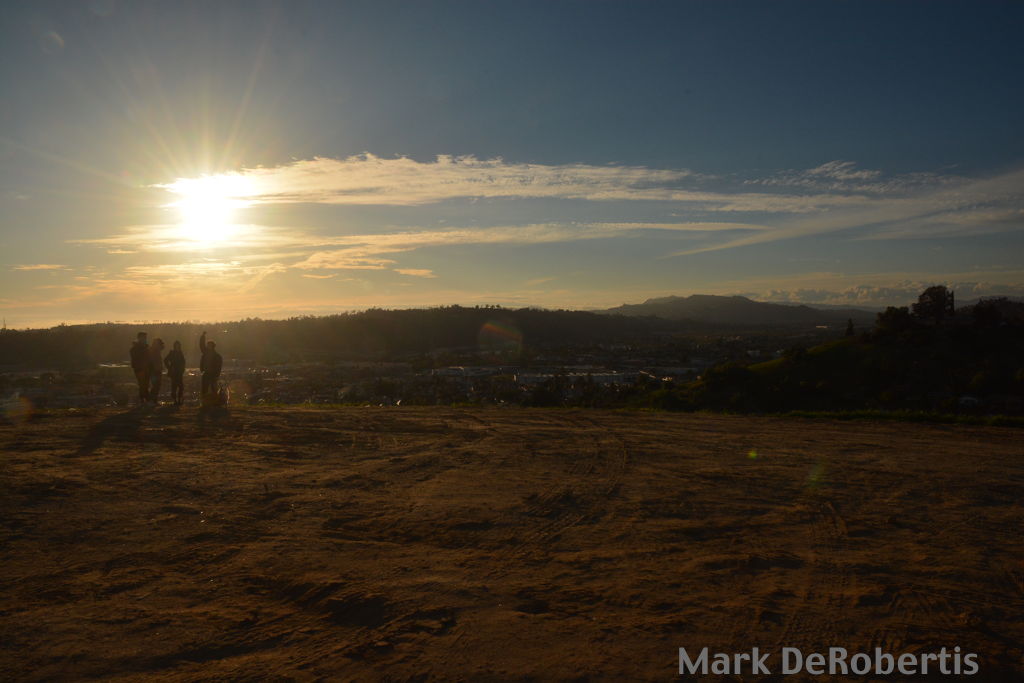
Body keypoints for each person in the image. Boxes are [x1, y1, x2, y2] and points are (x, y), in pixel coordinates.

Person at [199, 331, 223, 401]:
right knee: (204, 389)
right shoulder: (206, 353)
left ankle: (214, 401)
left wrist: (217, 374)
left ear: (213, 346)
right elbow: (201, 345)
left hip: (213, 374)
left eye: (209, 345)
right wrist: (203, 336)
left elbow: (219, 366)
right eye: (208, 345)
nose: (208, 346)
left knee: (214, 388)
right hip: (206, 373)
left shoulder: (217, 356)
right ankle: (204, 402)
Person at [129, 332, 150, 404]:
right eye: (144, 338)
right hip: (139, 369)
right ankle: (144, 399)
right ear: (139, 338)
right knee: (142, 384)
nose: (145, 339)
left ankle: (145, 399)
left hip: (145, 368)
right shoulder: (135, 348)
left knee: (145, 384)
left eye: (145, 338)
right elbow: (135, 357)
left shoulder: (145, 347)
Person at [164, 340, 186, 406]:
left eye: (178, 345)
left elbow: (183, 362)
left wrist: (183, 369)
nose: (177, 346)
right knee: (174, 387)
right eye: (176, 345)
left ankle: (179, 399)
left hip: (180, 372)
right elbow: (165, 360)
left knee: (181, 387)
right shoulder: (172, 353)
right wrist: (169, 368)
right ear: (174, 346)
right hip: (174, 373)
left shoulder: (180, 353)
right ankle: (175, 400)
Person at [148, 338, 165, 404]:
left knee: (156, 385)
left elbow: (163, 347)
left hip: (157, 370)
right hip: (154, 371)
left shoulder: (156, 350)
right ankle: (152, 399)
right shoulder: (153, 351)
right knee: (156, 386)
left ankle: (153, 399)